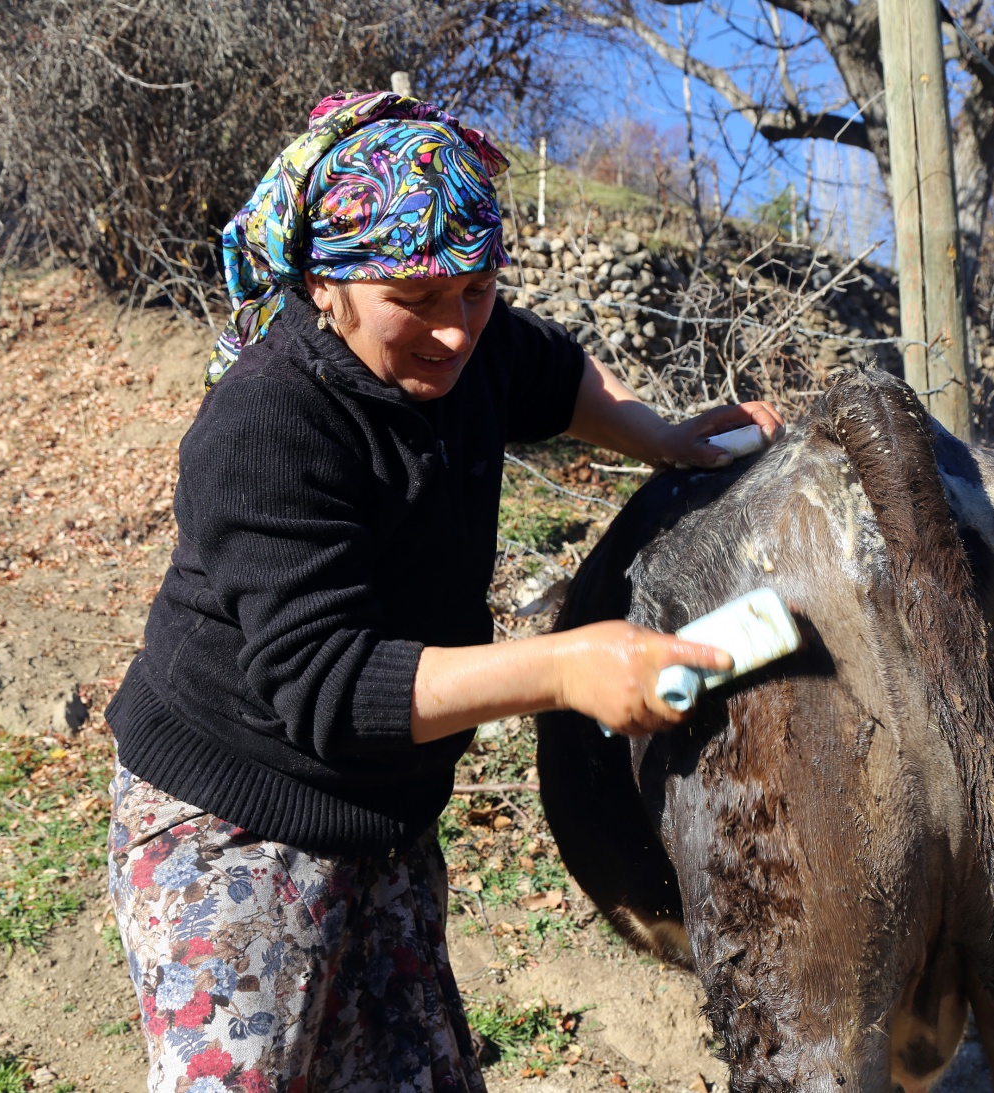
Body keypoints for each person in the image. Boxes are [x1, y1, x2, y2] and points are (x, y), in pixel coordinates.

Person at [104, 89, 783, 1093]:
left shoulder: (471, 349)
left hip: (382, 812)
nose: (453, 331)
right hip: (232, 817)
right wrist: (563, 665)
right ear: (325, 288)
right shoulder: (266, 427)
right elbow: (327, 686)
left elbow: (549, 374)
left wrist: (659, 435)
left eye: (473, 291)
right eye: (413, 302)